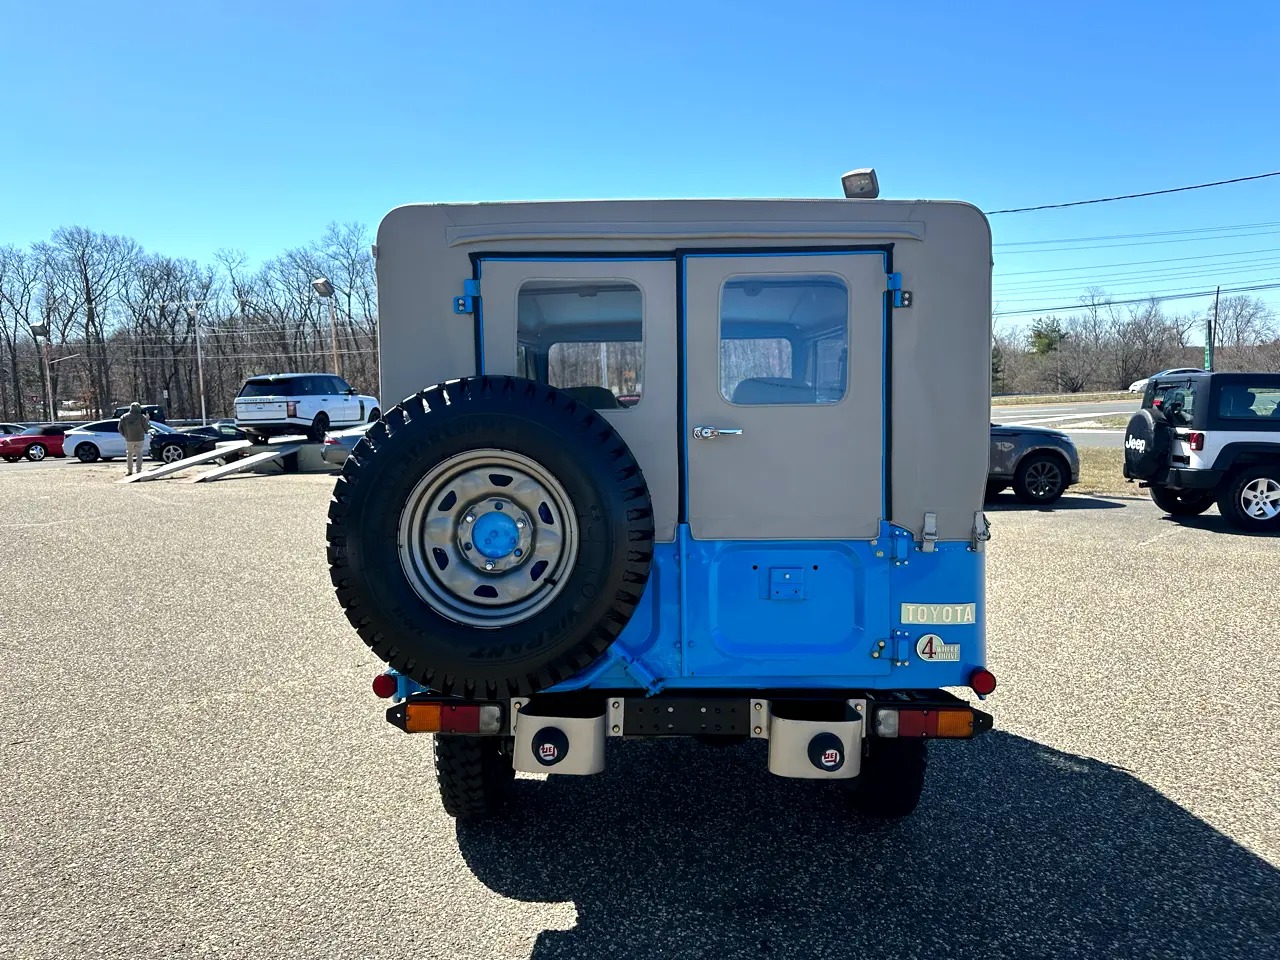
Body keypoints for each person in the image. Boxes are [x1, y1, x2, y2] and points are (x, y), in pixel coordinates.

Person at [118, 401, 151, 476]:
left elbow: (119, 428)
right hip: (139, 438)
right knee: (139, 454)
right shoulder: (141, 417)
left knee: (129, 454)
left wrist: (125, 435)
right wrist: (147, 420)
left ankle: (129, 471)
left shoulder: (124, 417)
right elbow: (147, 428)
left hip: (129, 439)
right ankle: (138, 470)